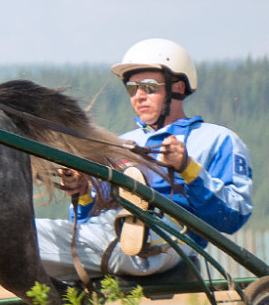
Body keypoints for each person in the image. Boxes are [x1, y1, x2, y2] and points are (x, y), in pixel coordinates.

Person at [35, 38, 253, 283]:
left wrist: (187, 168)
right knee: (21, 231)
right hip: (110, 236)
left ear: (178, 88)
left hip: (171, 240)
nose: (138, 97)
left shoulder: (217, 139)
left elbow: (233, 217)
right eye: (131, 88)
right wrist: (84, 193)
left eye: (148, 87)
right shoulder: (121, 144)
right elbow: (84, 225)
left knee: (17, 236)